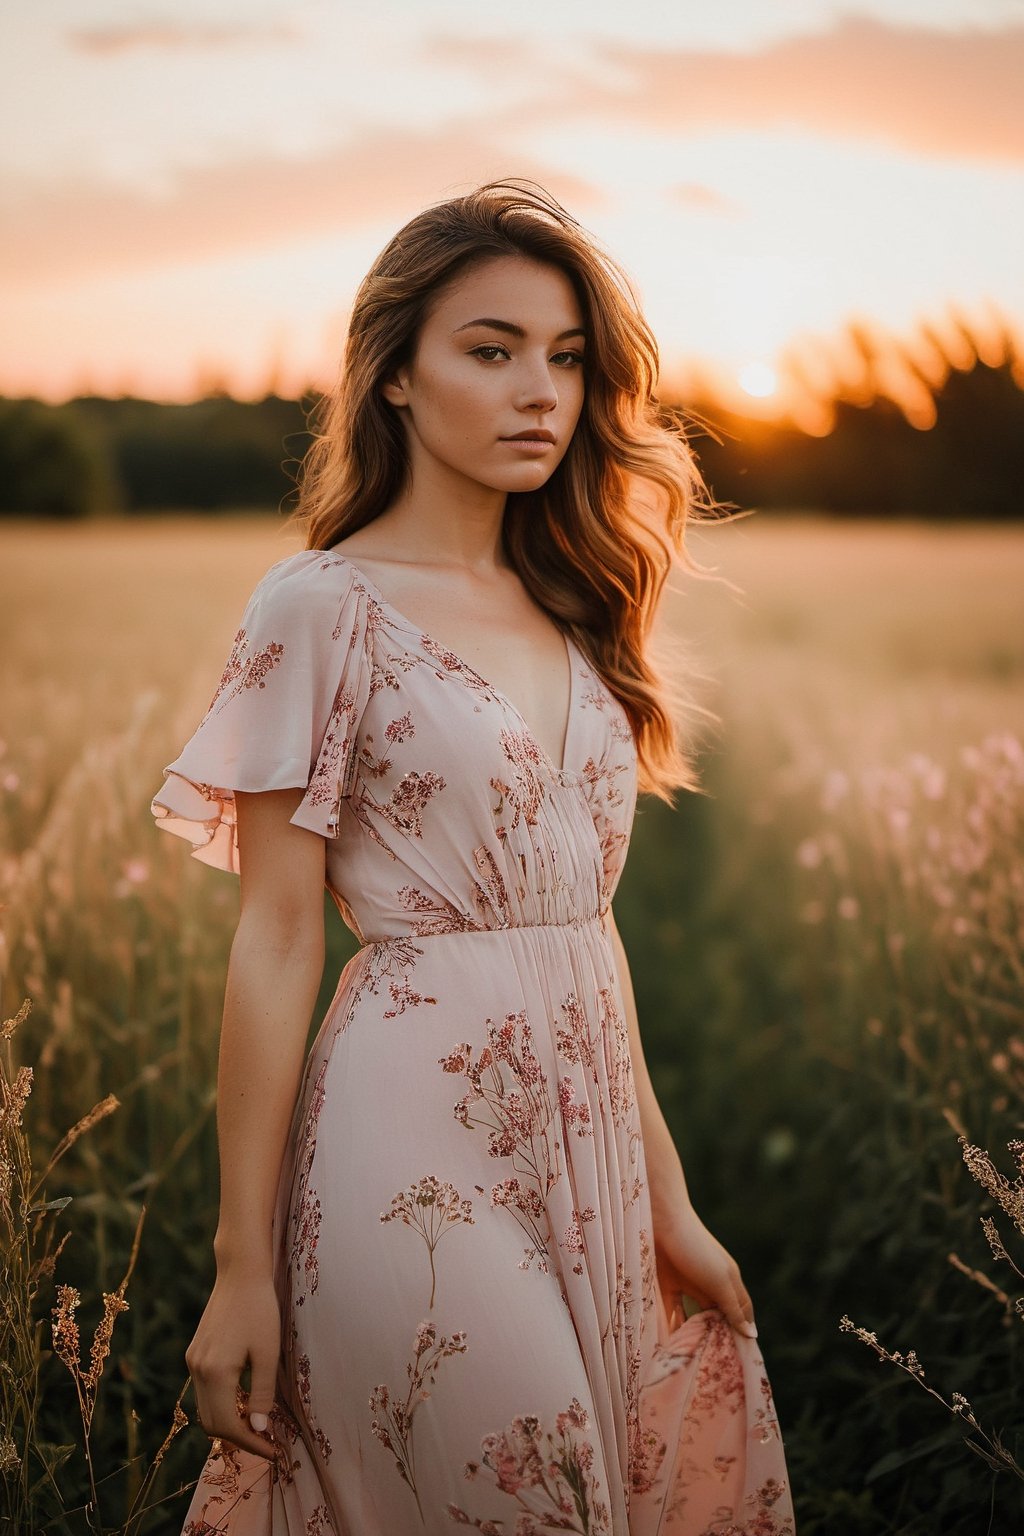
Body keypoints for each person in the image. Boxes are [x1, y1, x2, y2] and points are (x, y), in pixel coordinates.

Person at [151, 179, 795, 1535]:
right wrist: (240, 1265)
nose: (539, 393)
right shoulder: (322, 606)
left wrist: (667, 1201)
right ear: (392, 376)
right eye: (490, 350)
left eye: (566, 359)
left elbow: (586, 943)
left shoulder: (576, 602)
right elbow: (275, 936)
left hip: (593, 1152)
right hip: (409, 1148)